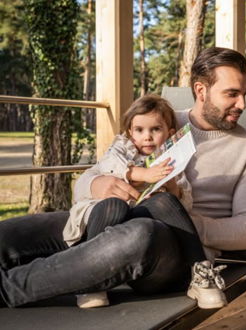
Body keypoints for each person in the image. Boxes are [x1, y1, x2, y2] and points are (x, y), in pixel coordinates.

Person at [0, 47, 246, 310]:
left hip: (172, 251)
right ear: (201, 90)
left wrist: (178, 222)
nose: (242, 104)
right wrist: (99, 184)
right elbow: (90, 178)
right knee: (10, 234)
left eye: (244, 94)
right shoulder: (156, 122)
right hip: (112, 218)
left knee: (140, 233)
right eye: (232, 94)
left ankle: (10, 288)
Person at [66, 94, 193, 308]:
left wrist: (171, 187)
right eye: (140, 130)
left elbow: (187, 205)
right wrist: (142, 174)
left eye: (156, 129)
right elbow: (109, 163)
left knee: (163, 204)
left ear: (170, 133)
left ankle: (199, 269)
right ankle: (90, 281)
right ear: (130, 134)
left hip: (141, 231)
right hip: (107, 217)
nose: (147, 137)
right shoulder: (123, 149)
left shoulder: (171, 161)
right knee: (111, 207)